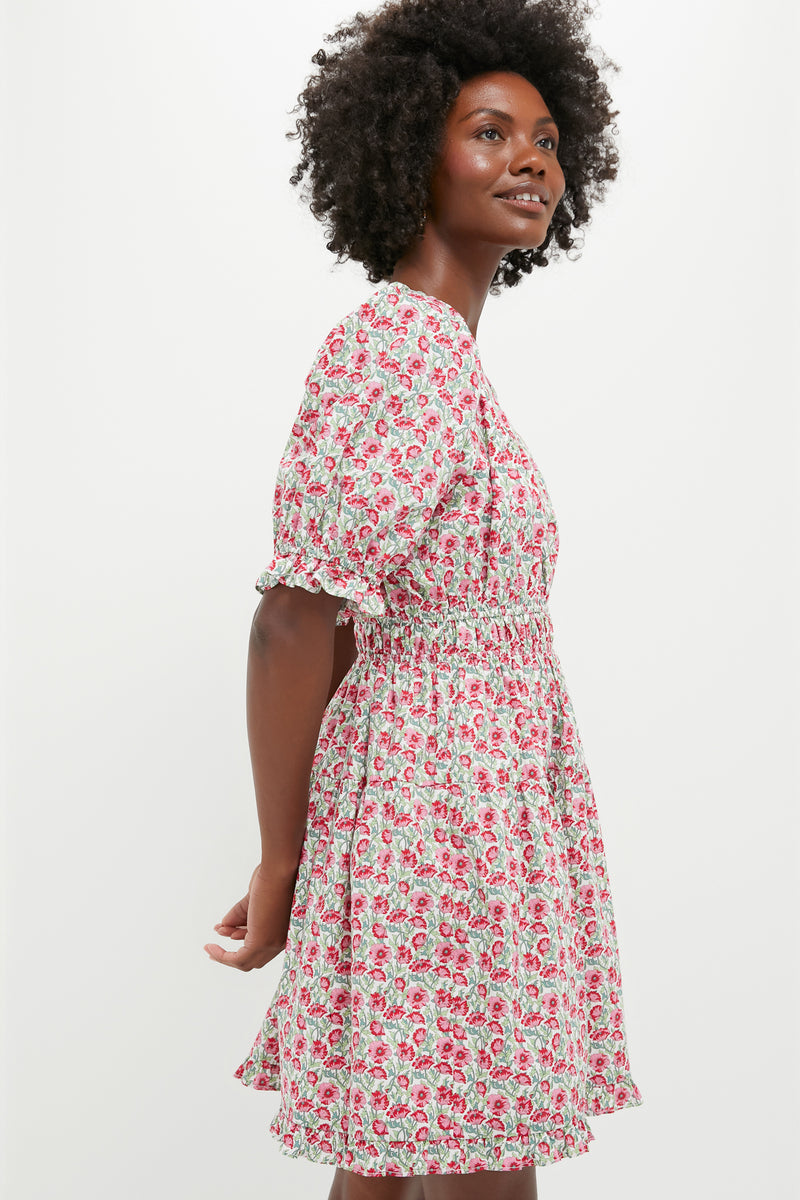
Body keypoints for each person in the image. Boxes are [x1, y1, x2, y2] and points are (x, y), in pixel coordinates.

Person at [203, 1, 644, 1196]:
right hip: (435, 814)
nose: (530, 162)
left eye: (546, 139)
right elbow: (295, 618)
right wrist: (282, 866)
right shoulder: (401, 350)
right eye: (489, 133)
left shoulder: (439, 356)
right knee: (470, 1160)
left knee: (415, 1155)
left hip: (470, 805)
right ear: (409, 153)